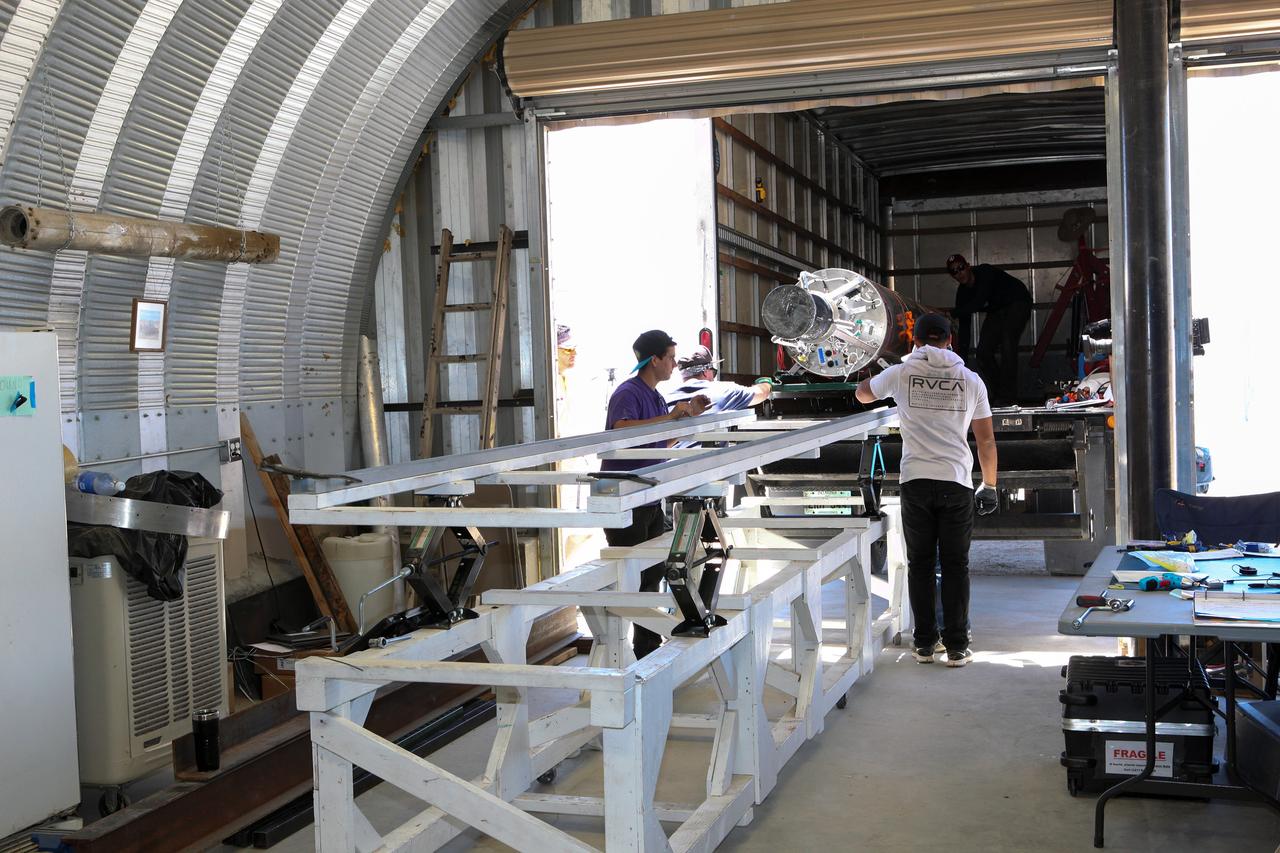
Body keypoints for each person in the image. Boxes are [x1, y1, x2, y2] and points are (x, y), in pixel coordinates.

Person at [854, 313, 998, 668]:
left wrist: (868, 372)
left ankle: (923, 644)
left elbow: (862, 396)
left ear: (915, 341)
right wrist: (990, 484)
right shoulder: (970, 380)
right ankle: (957, 647)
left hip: (915, 482)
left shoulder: (901, 373)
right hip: (956, 482)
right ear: (951, 342)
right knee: (955, 565)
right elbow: (986, 440)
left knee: (920, 564)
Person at [602, 329, 710, 659]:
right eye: (672, 358)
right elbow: (620, 430)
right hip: (623, 494)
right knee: (636, 574)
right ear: (655, 360)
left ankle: (647, 647)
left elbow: (660, 444)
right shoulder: (628, 392)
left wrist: (687, 419)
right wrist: (670, 417)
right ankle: (630, 649)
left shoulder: (656, 396)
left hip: (649, 493)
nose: (675, 365)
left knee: (654, 572)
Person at [946, 253, 1032, 406]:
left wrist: (952, 312)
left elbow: (978, 302)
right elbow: (965, 328)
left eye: (961, 268)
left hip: (1017, 301)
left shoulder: (984, 272)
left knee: (1008, 342)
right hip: (997, 309)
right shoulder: (963, 293)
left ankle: (1008, 395)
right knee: (983, 352)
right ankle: (1001, 394)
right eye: (954, 271)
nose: (959, 273)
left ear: (968, 266)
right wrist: (961, 362)